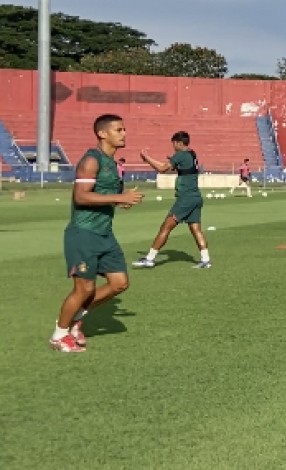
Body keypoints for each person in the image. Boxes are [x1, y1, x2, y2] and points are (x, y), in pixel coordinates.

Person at [51, 114, 145, 352]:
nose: (123, 133)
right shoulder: (91, 160)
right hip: (83, 233)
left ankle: (75, 319)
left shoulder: (112, 163)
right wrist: (119, 197)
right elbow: (81, 196)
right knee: (85, 288)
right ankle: (59, 335)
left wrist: (119, 202)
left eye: (124, 129)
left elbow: (102, 196)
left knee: (119, 283)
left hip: (104, 234)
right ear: (102, 133)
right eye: (118, 130)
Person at [133, 131, 212, 269]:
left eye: (174, 144)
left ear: (179, 143)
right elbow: (182, 168)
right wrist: (173, 161)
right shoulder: (191, 154)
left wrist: (146, 157)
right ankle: (205, 260)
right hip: (195, 197)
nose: (173, 147)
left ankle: (150, 259)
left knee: (166, 226)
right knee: (195, 229)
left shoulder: (181, 154)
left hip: (186, 198)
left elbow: (162, 168)